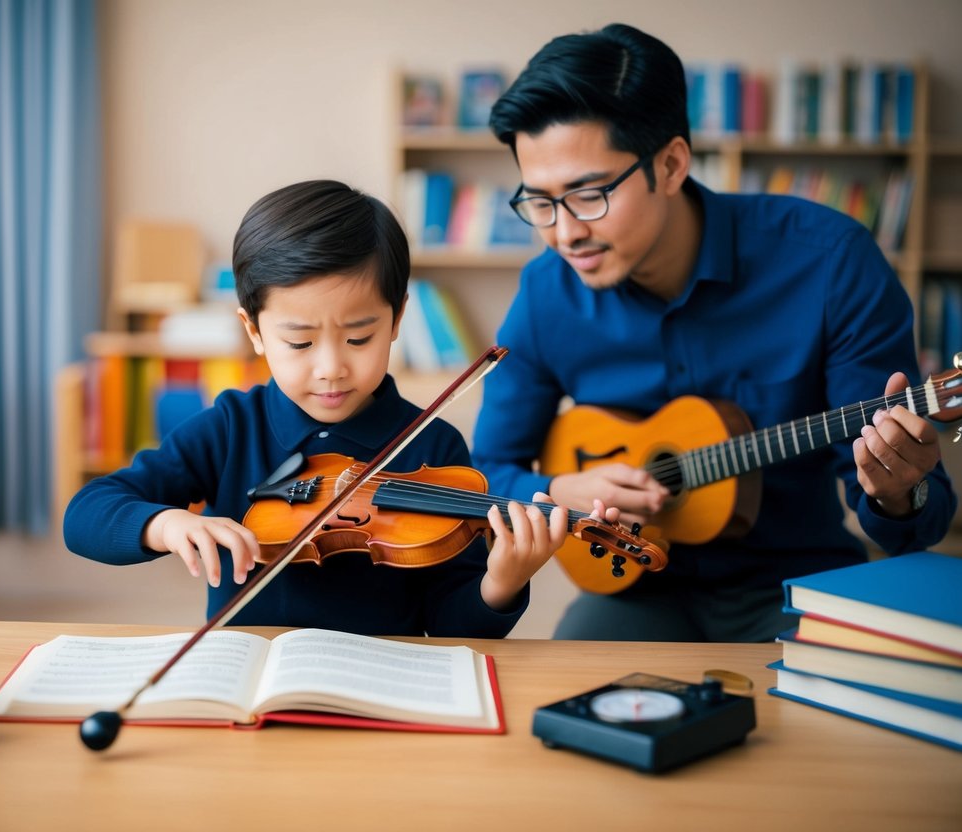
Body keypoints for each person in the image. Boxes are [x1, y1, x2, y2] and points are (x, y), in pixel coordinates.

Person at [470, 23, 956, 642]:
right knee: (563, 716)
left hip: (795, 581)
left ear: (670, 164)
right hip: (635, 586)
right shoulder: (547, 293)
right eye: (539, 202)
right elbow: (487, 469)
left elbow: (920, 517)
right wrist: (559, 488)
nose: (565, 234)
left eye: (588, 195)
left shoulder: (829, 262)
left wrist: (896, 493)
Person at [65, 179, 616, 637]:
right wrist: (163, 523)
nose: (330, 367)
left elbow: (452, 626)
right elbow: (87, 513)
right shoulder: (232, 426)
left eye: (358, 338)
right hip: (250, 682)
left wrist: (502, 582)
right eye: (300, 343)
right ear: (253, 331)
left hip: (381, 688)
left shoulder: (433, 448)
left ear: (397, 319)